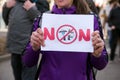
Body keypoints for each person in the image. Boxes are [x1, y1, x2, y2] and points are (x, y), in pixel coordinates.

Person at [22, 0, 108, 80]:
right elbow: (28, 62)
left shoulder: (91, 20)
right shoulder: (43, 19)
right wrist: (34, 48)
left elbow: (101, 64)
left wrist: (97, 55)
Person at [2, 0, 49, 80]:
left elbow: (45, 24)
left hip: (28, 50)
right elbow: (6, 21)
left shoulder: (40, 2)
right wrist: (6, 7)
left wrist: (32, 10)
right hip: (14, 48)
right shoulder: (13, 2)